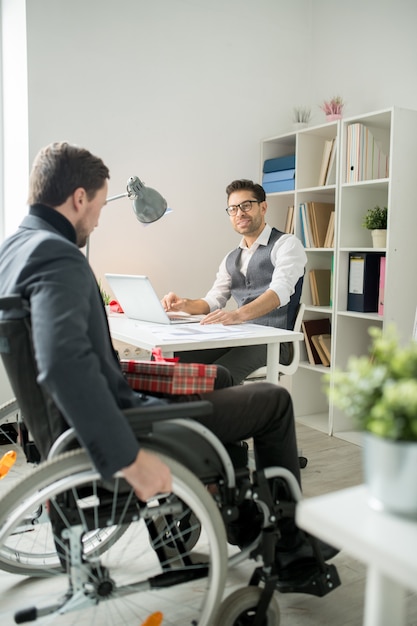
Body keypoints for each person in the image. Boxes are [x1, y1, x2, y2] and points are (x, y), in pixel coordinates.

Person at [0, 143, 336, 581]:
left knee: (219, 377)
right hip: (129, 424)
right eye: (100, 205)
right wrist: (127, 457)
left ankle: (246, 523)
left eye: (246, 205)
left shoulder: (15, 248)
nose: (99, 218)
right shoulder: (58, 255)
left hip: (264, 340)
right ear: (79, 199)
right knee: (273, 401)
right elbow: (66, 366)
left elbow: (278, 291)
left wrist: (227, 314)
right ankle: (290, 547)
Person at [162, 179, 307, 385]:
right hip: (239, 336)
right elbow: (213, 300)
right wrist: (184, 305)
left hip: (274, 342)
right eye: (233, 209)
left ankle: (216, 415)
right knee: (171, 359)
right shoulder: (231, 257)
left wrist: (237, 315)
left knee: (215, 376)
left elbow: (279, 293)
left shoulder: (287, 245)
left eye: (246, 205)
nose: (239, 213)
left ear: (263, 207)